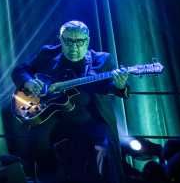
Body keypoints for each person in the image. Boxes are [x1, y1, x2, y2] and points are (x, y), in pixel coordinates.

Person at [11, 20, 129, 183]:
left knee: (103, 149)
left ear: (87, 41)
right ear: (60, 40)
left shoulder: (102, 60)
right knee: (37, 146)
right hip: (54, 120)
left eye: (79, 42)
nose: (74, 47)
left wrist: (120, 84)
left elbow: (110, 86)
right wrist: (29, 82)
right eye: (68, 41)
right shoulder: (48, 54)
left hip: (90, 121)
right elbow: (20, 70)